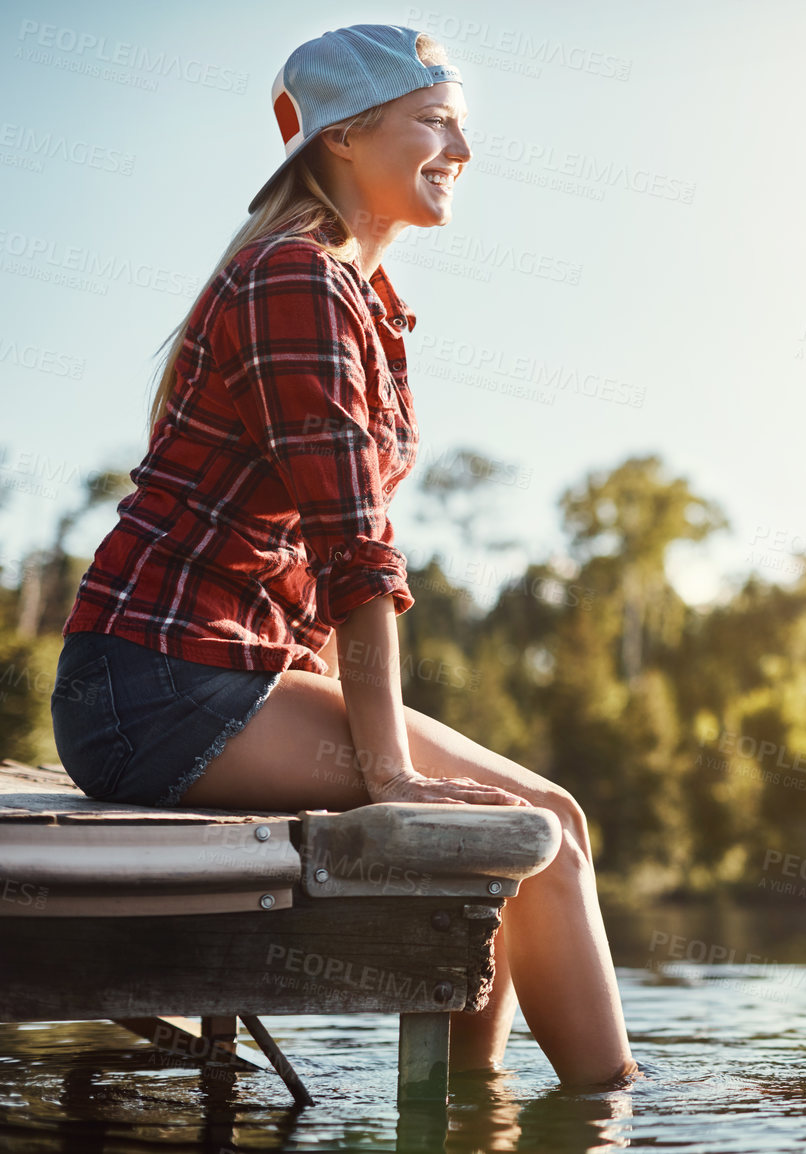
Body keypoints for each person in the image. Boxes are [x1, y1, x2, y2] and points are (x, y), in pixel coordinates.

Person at [48, 24, 637, 1089]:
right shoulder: (296, 278)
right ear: (343, 137)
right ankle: (612, 1112)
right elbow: (352, 547)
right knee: (538, 830)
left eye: (461, 124)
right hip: (156, 685)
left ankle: (476, 1107)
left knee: (532, 828)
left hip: (220, 675)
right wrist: (388, 768)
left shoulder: (363, 297)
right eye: (434, 120)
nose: (461, 148)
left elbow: (311, 567)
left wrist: (370, 741)